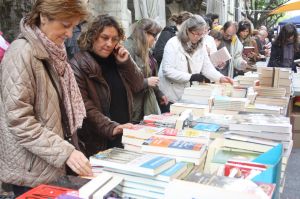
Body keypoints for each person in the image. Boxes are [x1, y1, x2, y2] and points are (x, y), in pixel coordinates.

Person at [0, 0, 92, 196]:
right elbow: (19, 121)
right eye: (65, 25)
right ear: (43, 17)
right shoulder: (21, 53)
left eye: (73, 26)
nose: (69, 34)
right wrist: (65, 152)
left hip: (51, 164)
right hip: (32, 172)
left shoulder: (53, 51)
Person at [69, 14, 144, 157]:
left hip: (123, 134)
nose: (109, 44)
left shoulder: (118, 60)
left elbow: (139, 85)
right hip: (97, 141)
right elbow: (84, 105)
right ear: (92, 36)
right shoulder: (77, 65)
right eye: (104, 38)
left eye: (114, 39)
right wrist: (111, 127)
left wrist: (126, 63)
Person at [158, 15, 233, 109]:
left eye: (202, 34)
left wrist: (220, 78)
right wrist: (191, 77)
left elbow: (207, 67)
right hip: (171, 94)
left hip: (188, 94)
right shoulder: (173, 43)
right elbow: (167, 71)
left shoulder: (201, 45)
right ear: (187, 30)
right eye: (196, 33)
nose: (199, 37)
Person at [124, 18, 169, 120]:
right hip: (132, 105)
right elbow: (124, 80)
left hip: (144, 103)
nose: (156, 39)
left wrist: (159, 93)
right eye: (154, 35)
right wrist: (146, 82)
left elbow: (150, 75)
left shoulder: (146, 49)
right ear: (144, 33)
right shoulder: (128, 48)